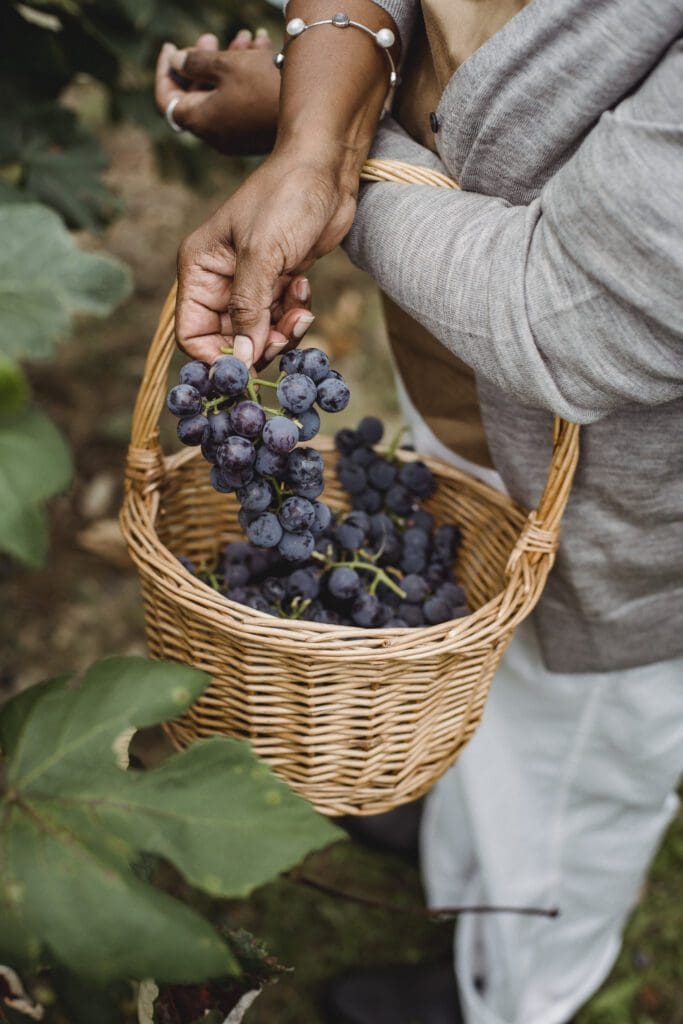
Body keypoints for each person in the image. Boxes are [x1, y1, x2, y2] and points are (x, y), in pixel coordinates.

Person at [155, 3, 683, 1023]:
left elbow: (571, 311)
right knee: (469, 670)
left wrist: (328, 158)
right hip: (466, 393)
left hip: (633, 517)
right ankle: (453, 825)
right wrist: (318, 118)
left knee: (572, 782)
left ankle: (510, 992)